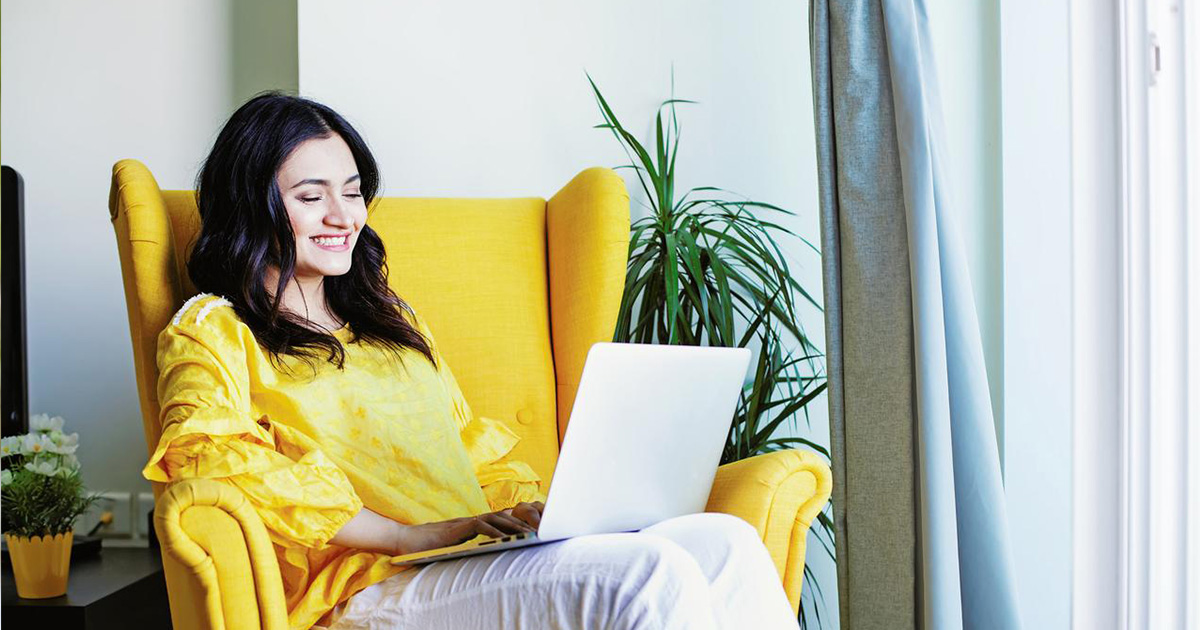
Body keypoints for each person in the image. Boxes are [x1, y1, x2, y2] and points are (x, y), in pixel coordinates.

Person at [142, 91, 798, 630]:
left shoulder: (392, 323)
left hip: (470, 563)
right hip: (365, 591)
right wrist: (410, 536)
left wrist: (536, 516)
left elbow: (468, 452)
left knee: (726, 545)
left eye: (352, 190)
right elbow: (215, 465)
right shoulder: (214, 331)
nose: (344, 215)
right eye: (312, 197)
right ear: (252, 205)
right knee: (654, 574)